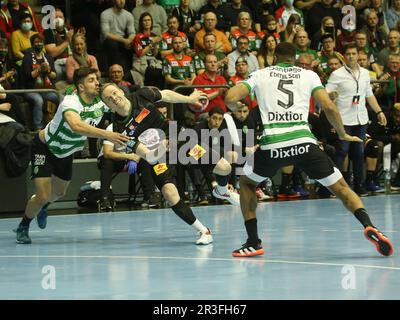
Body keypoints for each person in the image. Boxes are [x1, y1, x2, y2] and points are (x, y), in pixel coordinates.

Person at [225, 42, 394, 257]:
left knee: (247, 183)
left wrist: (238, 108)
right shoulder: (309, 75)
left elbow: (230, 97)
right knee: (341, 187)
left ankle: (253, 241)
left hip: (273, 145)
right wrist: (342, 134)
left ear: (274, 58)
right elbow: (330, 107)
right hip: (304, 143)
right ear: (294, 58)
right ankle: (370, 225)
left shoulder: (260, 74)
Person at [13, 67, 130, 244]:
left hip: (66, 153)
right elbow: (76, 126)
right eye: (91, 80)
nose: (96, 82)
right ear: (81, 87)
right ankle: (24, 225)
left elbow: (121, 105)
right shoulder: (70, 101)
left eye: (96, 78)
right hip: (45, 148)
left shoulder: (100, 101)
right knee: (43, 194)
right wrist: (107, 134)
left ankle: (42, 206)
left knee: (59, 192)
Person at [100, 83, 214, 245]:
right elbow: (145, 153)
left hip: (177, 138)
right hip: (159, 155)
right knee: (168, 192)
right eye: (108, 98)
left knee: (218, 164)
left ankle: (222, 189)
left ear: (120, 91)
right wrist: (158, 150)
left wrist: (190, 98)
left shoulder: (142, 95)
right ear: (107, 104)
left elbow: (166, 94)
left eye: (114, 93)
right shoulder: (119, 130)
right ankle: (204, 230)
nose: (114, 98)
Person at [326, 43, 387, 196]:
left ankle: (359, 185)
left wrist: (379, 111)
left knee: (359, 153)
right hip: (343, 119)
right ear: (344, 56)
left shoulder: (366, 73)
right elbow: (326, 94)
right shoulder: (337, 74)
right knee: (342, 151)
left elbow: (369, 95)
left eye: (354, 54)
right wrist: (331, 95)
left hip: (361, 119)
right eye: (348, 54)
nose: (351, 57)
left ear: (358, 55)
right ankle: (337, 187)